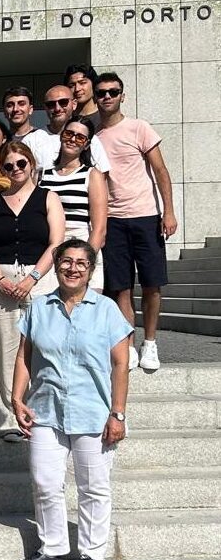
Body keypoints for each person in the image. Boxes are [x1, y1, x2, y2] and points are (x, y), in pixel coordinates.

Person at [10, 239, 132, 560]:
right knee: (45, 482)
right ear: (57, 265)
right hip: (46, 409)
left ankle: (91, 555)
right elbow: (24, 356)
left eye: (81, 263)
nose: (72, 268)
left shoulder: (107, 309)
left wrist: (118, 414)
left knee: (93, 487)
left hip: (93, 412)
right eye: (66, 261)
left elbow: (120, 364)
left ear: (90, 270)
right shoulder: (39, 308)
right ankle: (52, 548)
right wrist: (17, 398)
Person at [0, 143, 66, 441]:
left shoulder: (48, 198)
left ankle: (41, 414)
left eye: (21, 163)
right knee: (1, 349)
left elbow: (57, 242)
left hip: (40, 278)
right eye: (9, 165)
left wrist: (32, 278)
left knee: (43, 347)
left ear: (31, 164)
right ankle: (7, 420)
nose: (15, 169)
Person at [94, 71, 178, 371]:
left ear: (122, 96)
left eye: (112, 92)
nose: (107, 97)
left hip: (145, 216)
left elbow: (161, 171)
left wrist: (169, 211)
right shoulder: (94, 137)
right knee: (121, 287)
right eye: (101, 92)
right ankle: (128, 344)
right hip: (113, 220)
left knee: (152, 283)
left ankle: (150, 342)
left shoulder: (139, 127)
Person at [39, 117, 109, 291]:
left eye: (80, 137)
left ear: (86, 145)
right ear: (61, 136)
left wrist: (85, 262)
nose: (72, 139)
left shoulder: (92, 175)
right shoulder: (42, 175)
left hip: (81, 246)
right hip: (49, 250)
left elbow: (99, 229)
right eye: (69, 134)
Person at [35, 85, 111, 173]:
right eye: (51, 104)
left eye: (63, 102)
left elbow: (103, 175)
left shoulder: (91, 140)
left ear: (74, 104)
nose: (57, 108)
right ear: (45, 108)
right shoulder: (32, 140)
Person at [2, 85, 52, 158]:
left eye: (21, 104)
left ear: (30, 109)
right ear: (4, 111)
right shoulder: (0, 141)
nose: (15, 109)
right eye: (10, 105)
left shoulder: (43, 138)